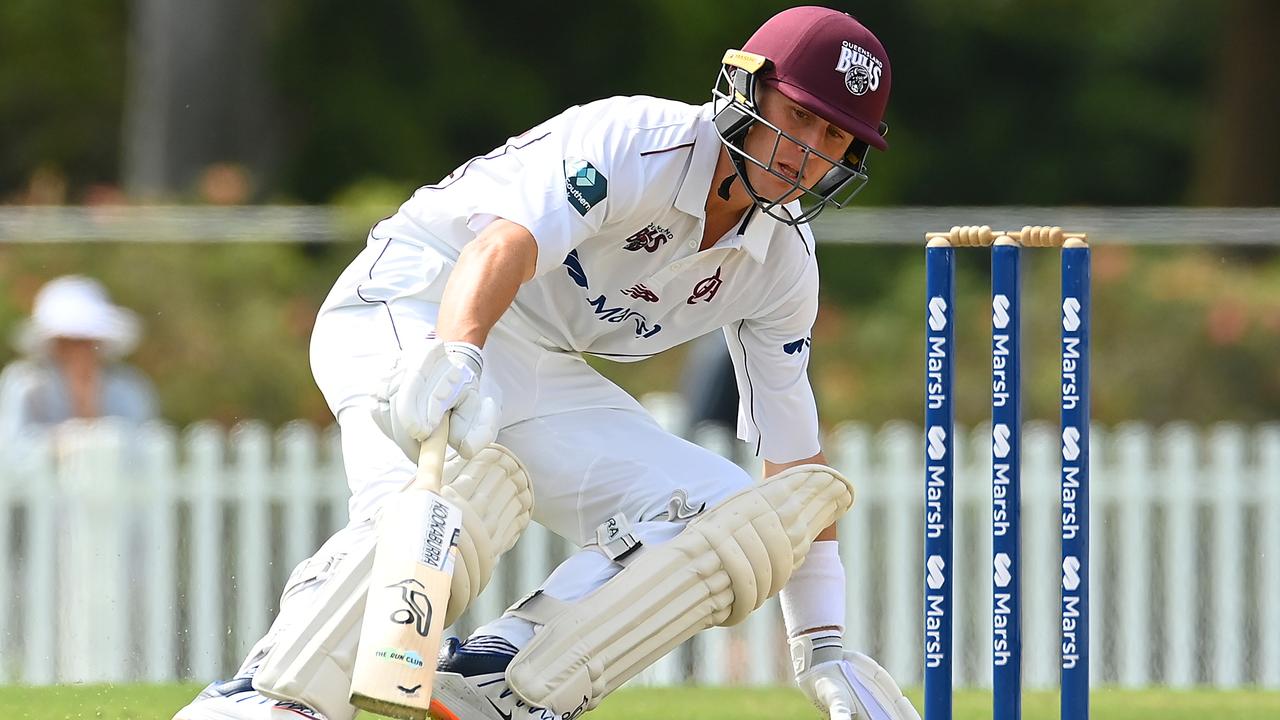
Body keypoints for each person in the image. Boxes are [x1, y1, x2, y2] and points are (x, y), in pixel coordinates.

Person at [176, 7, 919, 720]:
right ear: (746, 89)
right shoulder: (639, 140)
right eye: (798, 117)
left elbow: (793, 465)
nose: (809, 153)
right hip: (419, 297)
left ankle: (499, 675)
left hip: (533, 359)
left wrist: (822, 646)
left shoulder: (783, 261)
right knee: (441, 508)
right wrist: (459, 351)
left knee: (729, 516)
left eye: (834, 136)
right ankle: (266, 693)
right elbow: (504, 245)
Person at [0, 275, 157, 447]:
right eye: (69, 342)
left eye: (86, 341)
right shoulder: (25, 385)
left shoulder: (129, 388)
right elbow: (12, 449)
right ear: (53, 345)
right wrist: (57, 444)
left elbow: (144, 447)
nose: (79, 352)